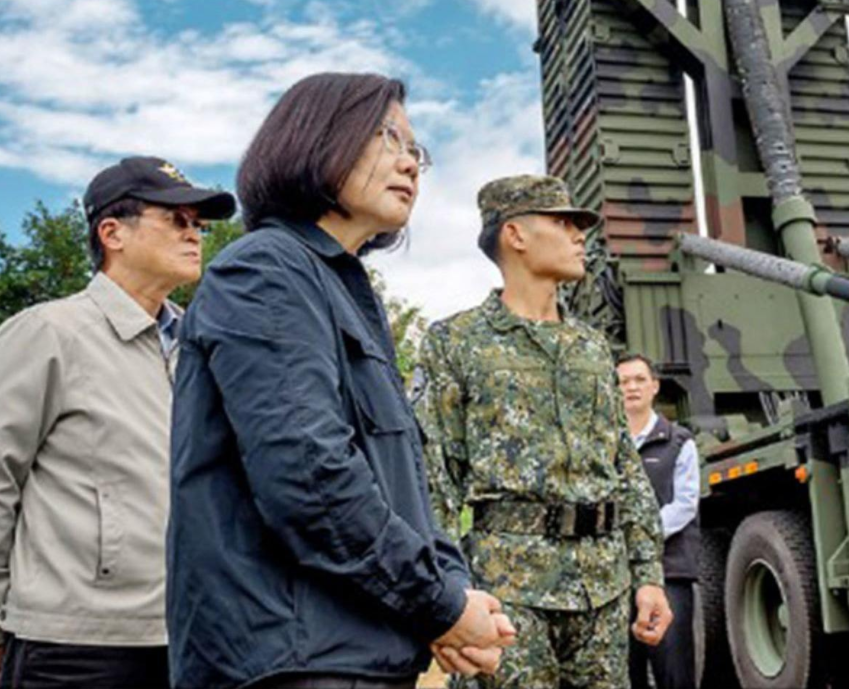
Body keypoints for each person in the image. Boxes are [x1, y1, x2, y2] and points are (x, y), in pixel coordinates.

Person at [167, 72, 514, 689]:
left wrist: (451, 590)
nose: (411, 162)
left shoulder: (346, 292)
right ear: (319, 137)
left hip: (358, 651)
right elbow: (310, 477)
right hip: (293, 659)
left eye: (418, 152)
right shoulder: (265, 270)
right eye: (391, 137)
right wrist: (440, 604)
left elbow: (400, 483)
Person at [417, 174, 672, 689]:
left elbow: (623, 465)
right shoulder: (456, 343)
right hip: (508, 592)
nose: (581, 235)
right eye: (563, 222)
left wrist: (648, 575)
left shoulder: (592, 348)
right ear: (515, 235)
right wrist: (445, 594)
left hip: (603, 587)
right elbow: (434, 479)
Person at [0, 157, 235, 688]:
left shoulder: (198, 349)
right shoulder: (48, 333)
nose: (194, 234)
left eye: (198, 223)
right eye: (176, 219)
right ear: (112, 233)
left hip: (190, 638)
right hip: (72, 647)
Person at [615, 354, 700, 689]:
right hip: (616, 577)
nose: (631, 387)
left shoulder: (679, 442)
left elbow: (684, 504)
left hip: (669, 573)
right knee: (623, 673)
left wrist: (637, 536)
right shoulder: (602, 445)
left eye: (638, 379)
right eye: (623, 382)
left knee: (673, 672)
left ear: (654, 386)